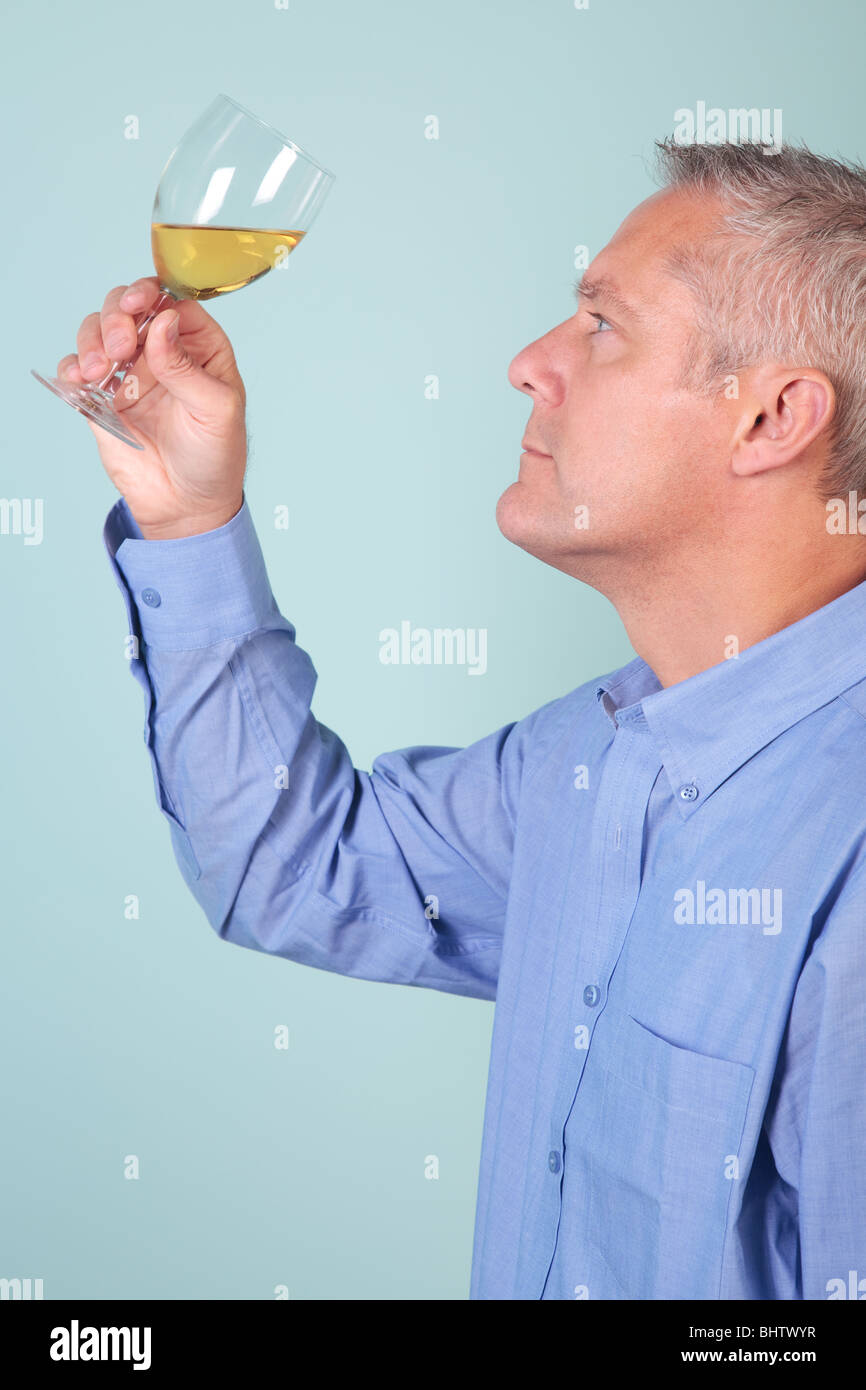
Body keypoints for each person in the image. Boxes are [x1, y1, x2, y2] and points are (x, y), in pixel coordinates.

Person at [62, 137, 866, 1300]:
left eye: (600, 324)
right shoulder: (587, 759)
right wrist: (190, 515)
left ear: (771, 419)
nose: (527, 363)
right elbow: (291, 864)